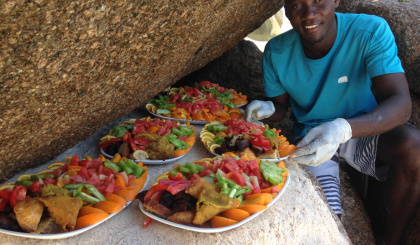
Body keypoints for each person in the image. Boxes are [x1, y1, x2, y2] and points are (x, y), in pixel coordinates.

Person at [244, 0, 420, 244]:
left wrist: (342, 128)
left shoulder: (369, 31)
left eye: (318, 1)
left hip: (361, 128)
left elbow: (401, 105)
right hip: (312, 135)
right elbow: (281, 107)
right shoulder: (277, 51)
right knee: (326, 221)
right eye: (297, 5)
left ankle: (390, 241)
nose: (308, 14)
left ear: (336, 0)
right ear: (285, 9)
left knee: (414, 147)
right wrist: (268, 108)